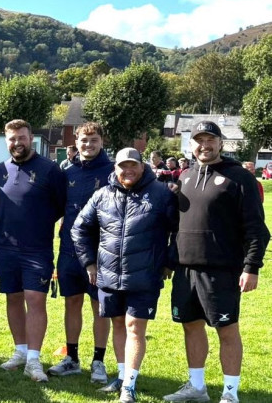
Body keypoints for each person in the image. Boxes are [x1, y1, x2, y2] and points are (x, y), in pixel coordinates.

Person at [164, 121, 269, 403]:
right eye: (199, 140)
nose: (205, 145)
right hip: (186, 270)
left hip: (222, 270)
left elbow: (257, 229)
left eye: (210, 140)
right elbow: (175, 224)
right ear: (191, 145)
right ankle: (197, 388)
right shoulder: (185, 176)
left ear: (221, 143)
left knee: (227, 329)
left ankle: (230, 393)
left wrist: (251, 267)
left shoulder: (238, 177)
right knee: (191, 325)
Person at [73, 147, 178, 403]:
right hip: (108, 275)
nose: (128, 170)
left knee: (134, 327)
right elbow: (79, 229)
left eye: (133, 165)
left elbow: (179, 231)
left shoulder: (161, 194)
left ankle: (129, 386)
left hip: (144, 275)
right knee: (118, 324)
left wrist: (168, 262)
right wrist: (89, 264)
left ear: (143, 167)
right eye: (122, 166)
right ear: (115, 168)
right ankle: (121, 376)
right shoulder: (102, 195)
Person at [0, 119, 66, 382]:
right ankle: (20, 351)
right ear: (6, 141)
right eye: (12, 139)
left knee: (35, 300)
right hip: (6, 248)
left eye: (21, 138)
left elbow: (61, 206)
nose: (17, 143)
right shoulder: (0, 170)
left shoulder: (50, 170)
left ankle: (34, 360)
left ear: (31, 138)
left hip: (37, 249)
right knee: (12, 299)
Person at [49, 122, 113, 384]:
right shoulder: (67, 171)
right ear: (76, 141)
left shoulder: (112, 170)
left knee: (100, 307)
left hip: (101, 252)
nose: (88, 145)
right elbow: (55, 206)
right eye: (84, 140)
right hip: (68, 250)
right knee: (71, 302)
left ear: (102, 141)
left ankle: (98, 361)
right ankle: (72, 358)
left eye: (93, 140)